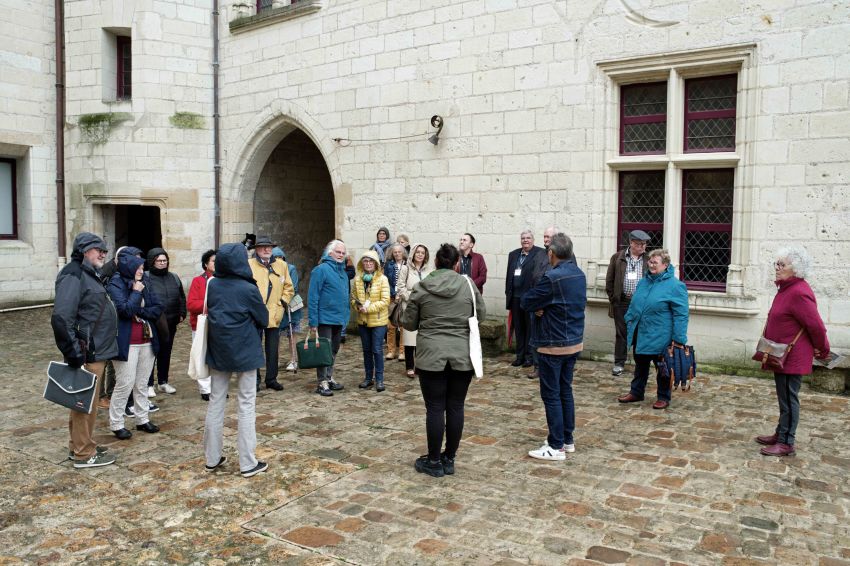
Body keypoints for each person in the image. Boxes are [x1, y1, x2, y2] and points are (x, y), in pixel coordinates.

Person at [403, 243, 486, 478]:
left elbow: (409, 323)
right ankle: (449, 458)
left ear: (436, 263)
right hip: (461, 355)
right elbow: (481, 315)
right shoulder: (468, 285)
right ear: (457, 264)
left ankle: (434, 460)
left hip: (431, 356)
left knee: (435, 408)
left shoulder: (421, 287)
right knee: (456, 406)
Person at [755, 246, 830, 457]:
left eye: (782, 265)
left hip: (792, 357)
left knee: (789, 399)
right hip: (781, 354)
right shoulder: (786, 288)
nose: (777, 268)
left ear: (795, 269)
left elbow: (816, 326)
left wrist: (823, 349)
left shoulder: (799, 292)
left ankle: (787, 442)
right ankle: (781, 433)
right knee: (784, 398)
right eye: (776, 264)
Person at [51, 232, 118, 468]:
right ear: (83, 251)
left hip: (94, 350)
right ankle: (84, 454)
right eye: (97, 249)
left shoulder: (90, 274)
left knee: (81, 402)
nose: (103, 254)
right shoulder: (73, 274)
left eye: (104, 250)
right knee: (84, 404)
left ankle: (78, 445)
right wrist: (73, 353)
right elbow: (61, 317)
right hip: (86, 352)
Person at [204, 243, 269, 478]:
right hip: (245, 351)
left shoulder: (213, 285)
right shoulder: (247, 289)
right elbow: (263, 318)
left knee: (216, 402)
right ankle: (247, 462)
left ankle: (211, 458)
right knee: (246, 404)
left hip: (218, 350)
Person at [520, 234, 586, 461]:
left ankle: (556, 445)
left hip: (553, 343)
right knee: (565, 390)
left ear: (552, 253)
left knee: (551, 394)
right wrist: (544, 306)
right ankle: (567, 440)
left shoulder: (552, 277)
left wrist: (541, 307)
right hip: (573, 341)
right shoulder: (579, 273)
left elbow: (527, 301)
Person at [617, 249, 688, 410]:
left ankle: (663, 396)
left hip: (661, 336)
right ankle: (636, 392)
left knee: (662, 368)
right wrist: (629, 318)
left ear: (665, 265)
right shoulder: (644, 282)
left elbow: (681, 315)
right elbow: (636, 302)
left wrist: (679, 339)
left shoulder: (676, 286)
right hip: (641, 332)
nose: (651, 265)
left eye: (655, 262)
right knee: (640, 364)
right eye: (650, 261)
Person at [107, 253, 164, 439]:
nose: (142, 270)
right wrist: (137, 292)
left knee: (142, 383)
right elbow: (124, 310)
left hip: (147, 340)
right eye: (138, 267)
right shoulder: (116, 283)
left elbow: (157, 307)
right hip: (126, 342)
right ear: (129, 267)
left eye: (142, 267)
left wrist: (139, 310)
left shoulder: (144, 280)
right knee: (125, 383)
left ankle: (142, 419)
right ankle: (116, 423)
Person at [248, 236, 294, 392]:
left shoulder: (281, 265)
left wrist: (282, 303)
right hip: (255, 314)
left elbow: (289, 287)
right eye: (263, 247)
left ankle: (271, 378)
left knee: (273, 349)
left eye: (269, 247)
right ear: (256, 249)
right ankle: (255, 380)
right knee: (255, 348)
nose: (267, 250)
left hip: (274, 313)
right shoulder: (249, 265)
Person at [308, 240, 350, 396]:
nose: (340, 255)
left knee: (334, 350)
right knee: (324, 352)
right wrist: (313, 321)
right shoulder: (321, 270)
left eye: (343, 253)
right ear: (330, 253)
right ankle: (322, 382)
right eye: (338, 252)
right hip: (325, 318)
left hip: (339, 318)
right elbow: (313, 297)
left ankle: (329, 377)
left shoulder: (343, 272)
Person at [605, 230, 650, 377]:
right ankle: (619, 363)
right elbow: (609, 280)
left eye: (644, 244)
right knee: (621, 333)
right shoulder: (617, 257)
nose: (643, 247)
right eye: (639, 244)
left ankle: (640, 364)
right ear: (631, 243)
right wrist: (614, 298)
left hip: (641, 303)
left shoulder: (648, 259)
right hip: (622, 301)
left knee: (639, 333)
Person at [145, 247, 186, 396]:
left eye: (165, 260)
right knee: (150, 353)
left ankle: (163, 382)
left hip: (171, 321)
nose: (162, 263)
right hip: (153, 322)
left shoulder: (174, 277)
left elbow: (181, 297)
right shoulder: (145, 277)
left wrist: (182, 313)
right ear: (152, 262)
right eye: (159, 261)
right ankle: (148, 384)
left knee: (166, 352)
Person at [505, 230, 545, 368]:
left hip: (529, 297)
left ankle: (529, 357)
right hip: (515, 297)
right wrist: (507, 294)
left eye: (528, 238)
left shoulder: (539, 253)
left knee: (529, 328)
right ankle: (519, 356)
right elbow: (508, 276)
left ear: (533, 240)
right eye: (523, 238)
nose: (525, 240)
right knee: (518, 327)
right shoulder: (513, 254)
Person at [352, 250, 391, 391]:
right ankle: (368, 378)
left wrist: (369, 308)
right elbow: (353, 298)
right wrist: (357, 307)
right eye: (365, 261)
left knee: (377, 350)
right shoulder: (358, 279)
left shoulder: (382, 279)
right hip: (363, 321)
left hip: (378, 321)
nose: (368, 264)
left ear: (375, 264)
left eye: (371, 261)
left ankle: (379, 379)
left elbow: (385, 301)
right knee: (366, 350)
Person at [397, 243, 433, 378]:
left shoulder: (428, 271)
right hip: (410, 305)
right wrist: (410, 298)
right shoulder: (406, 269)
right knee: (409, 337)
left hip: (424, 306)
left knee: (422, 336)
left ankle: (420, 365)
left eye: (422, 253)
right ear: (413, 253)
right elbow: (400, 287)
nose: (419, 255)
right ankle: (409, 366)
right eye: (417, 252)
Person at [187, 249, 216, 400]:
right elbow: (191, 304)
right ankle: (205, 389)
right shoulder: (198, 281)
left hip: (219, 324)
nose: (216, 263)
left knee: (217, 355)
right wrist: (211, 305)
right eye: (213, 261)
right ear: (206, 264)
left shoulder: (223, 280)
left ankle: (217, 387)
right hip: (201, 324)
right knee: (202, 355)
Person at [272, 247, 302, 372]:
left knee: (292, 334)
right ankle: (274, 360)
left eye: (280, 258)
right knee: (275, 335)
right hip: (276, 307)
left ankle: (293, 359)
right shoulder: (270, 269)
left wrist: (283, 298)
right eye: (276, 258)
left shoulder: (291, 269)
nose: (278, 260)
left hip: (290, 306)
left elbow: (293, 287)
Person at [383, 243, 407, 361]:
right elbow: (386, 281)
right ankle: (391, 351)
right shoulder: (388, 265)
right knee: (391, 326)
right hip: (392, 297)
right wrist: (394, 294)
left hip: (403, 297)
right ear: (392, 253)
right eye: (395, 252)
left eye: (399, 252)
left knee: (403, 326)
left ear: (403, 253)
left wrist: (401, 294)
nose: (397, 254)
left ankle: (402, 351)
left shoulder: (408, 264)